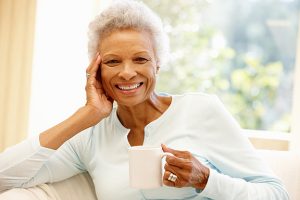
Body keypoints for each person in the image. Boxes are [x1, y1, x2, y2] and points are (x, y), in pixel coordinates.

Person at [0, 0, 289, 199]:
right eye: (113, 61)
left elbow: (277, 194)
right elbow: (4, 178)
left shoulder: (201, 110)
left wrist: (206, 180)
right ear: (96, 68)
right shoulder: (90, 135)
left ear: (157, 64)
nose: (127, 73)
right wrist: (85, 115)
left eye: (140, 59)